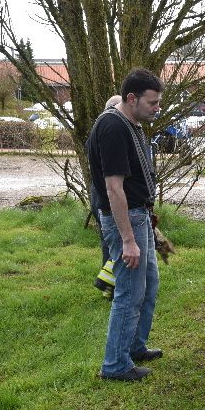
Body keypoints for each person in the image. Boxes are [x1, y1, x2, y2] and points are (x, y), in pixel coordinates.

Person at [87, 69, 164, 381]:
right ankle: (115, 365)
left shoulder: (130, 122)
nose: (157, 107)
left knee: (148, 285)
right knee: (129, 293)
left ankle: (134, 347)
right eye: (153, 102)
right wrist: (128, 240)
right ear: (132, 99)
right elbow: (114, 188)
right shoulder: (112, 127)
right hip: (126, 220)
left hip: (139, 215)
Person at [92, 95, 125, 299]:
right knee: (115, 243)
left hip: (100, 196)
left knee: (110, 243)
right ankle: (110, 285)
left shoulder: (100, 129)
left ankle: (110, 285)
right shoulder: (109, 131)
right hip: (106, 197)